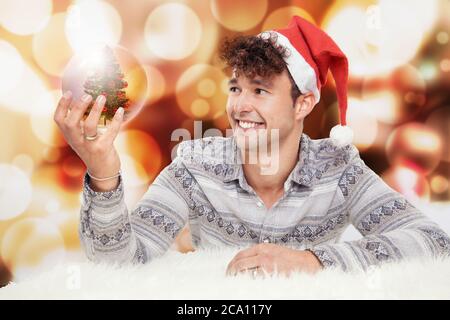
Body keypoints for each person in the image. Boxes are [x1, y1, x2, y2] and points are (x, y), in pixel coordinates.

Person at [54, 16, 449, 277]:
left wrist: (311, 262)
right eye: (236, 88)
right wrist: (102, 170)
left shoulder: (340, 170)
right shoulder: (194, 167)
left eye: (260, 90)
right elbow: (119, 265)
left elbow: (432, 243)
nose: (240, 106)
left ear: (304, 103)